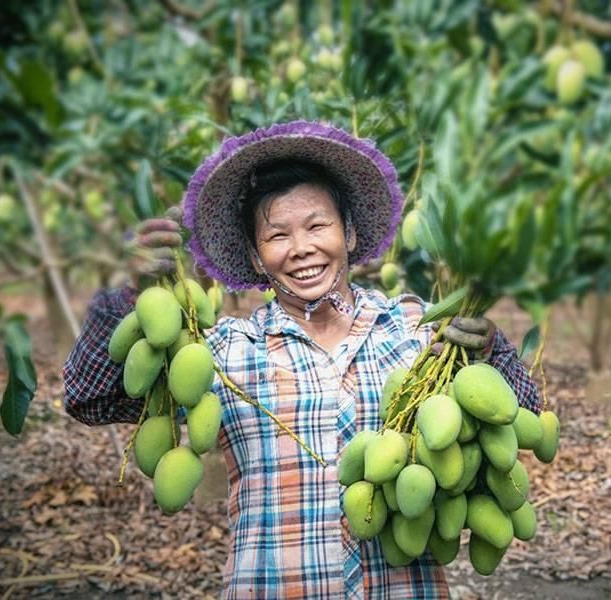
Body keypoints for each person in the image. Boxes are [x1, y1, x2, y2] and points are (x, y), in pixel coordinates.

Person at [63, 120, 541, 599]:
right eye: (277, 236)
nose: (301, 249)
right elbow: (91, 397)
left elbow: (522, 414)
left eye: (317, 226)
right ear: (255, 257)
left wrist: (488, 354)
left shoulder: (418, 330)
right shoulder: (223, 351)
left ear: (349, 234)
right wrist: (132, 295)